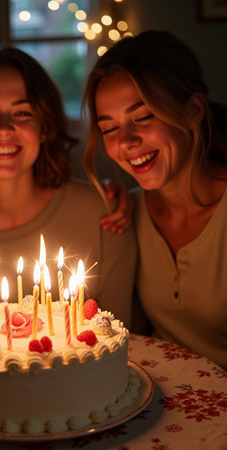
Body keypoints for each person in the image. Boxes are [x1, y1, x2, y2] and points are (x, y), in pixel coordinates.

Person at [0, 47, 136, 327]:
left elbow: (120, 343)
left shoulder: (104, 214)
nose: (3, 127)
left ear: (46, 126)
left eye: (22, 112)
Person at [83, 31, 227, 369]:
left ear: (192, 109)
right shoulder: (129, 213)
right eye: (109, 128)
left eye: (143, 117)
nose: (127, 141)